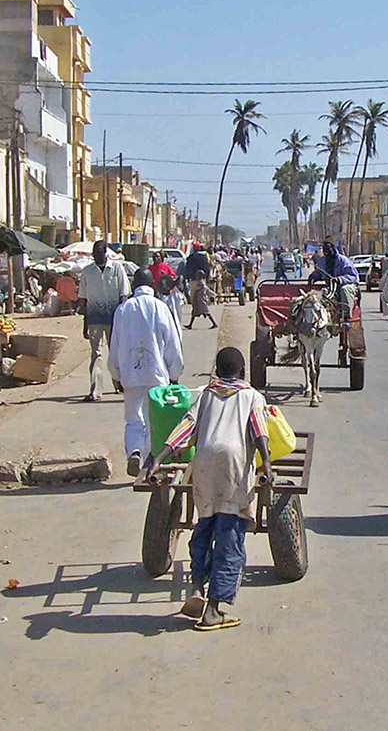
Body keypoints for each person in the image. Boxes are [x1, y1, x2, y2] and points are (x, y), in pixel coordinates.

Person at [147, 346, 272, 632]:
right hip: (233, 466)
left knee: (205, 526)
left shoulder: (205, 395)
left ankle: (196, 589)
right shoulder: (252, 396)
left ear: (217, 370)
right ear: (242, 372)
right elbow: (260, 431)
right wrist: (266, 463)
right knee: (229, 536)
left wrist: (159, 459)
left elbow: (186, 427)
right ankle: (214, 611)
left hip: (203, 463)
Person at [110, 269, 184, 476]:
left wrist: (115, 373)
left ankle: (134, 451)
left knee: (133, 418)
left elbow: (114, 343)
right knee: (154, 419)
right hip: (157, 374)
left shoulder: (123, 310)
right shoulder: (161, 308)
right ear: (152, 285)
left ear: (134, 286)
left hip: (130, 374)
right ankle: (151, 459)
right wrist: (174, 372)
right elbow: (173, 343)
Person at [78, 240, 131, 402]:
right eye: (95, 253)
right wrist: (85, 324)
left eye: (100, 252)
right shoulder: (87, 272)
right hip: (94, 318)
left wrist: (123, 320)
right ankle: (95, 390)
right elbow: (83, 300)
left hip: (114, 318)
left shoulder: (117, 268)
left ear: (106, 252)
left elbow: (124, 295)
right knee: (96, 354)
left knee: (116, 352)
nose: (97, 255)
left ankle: (120, 383)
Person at [309, 238, 359, 327]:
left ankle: (346, 316)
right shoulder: (323, 261)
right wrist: (313, 276)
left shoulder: (343, 260)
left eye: (328, 248)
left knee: (344, 290)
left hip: (344, 286)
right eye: (324, 249)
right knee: (319, 295)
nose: (326, 251)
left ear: (333, 248)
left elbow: (353, 276)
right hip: (330, 288)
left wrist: (340, 279)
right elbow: (319, 273)